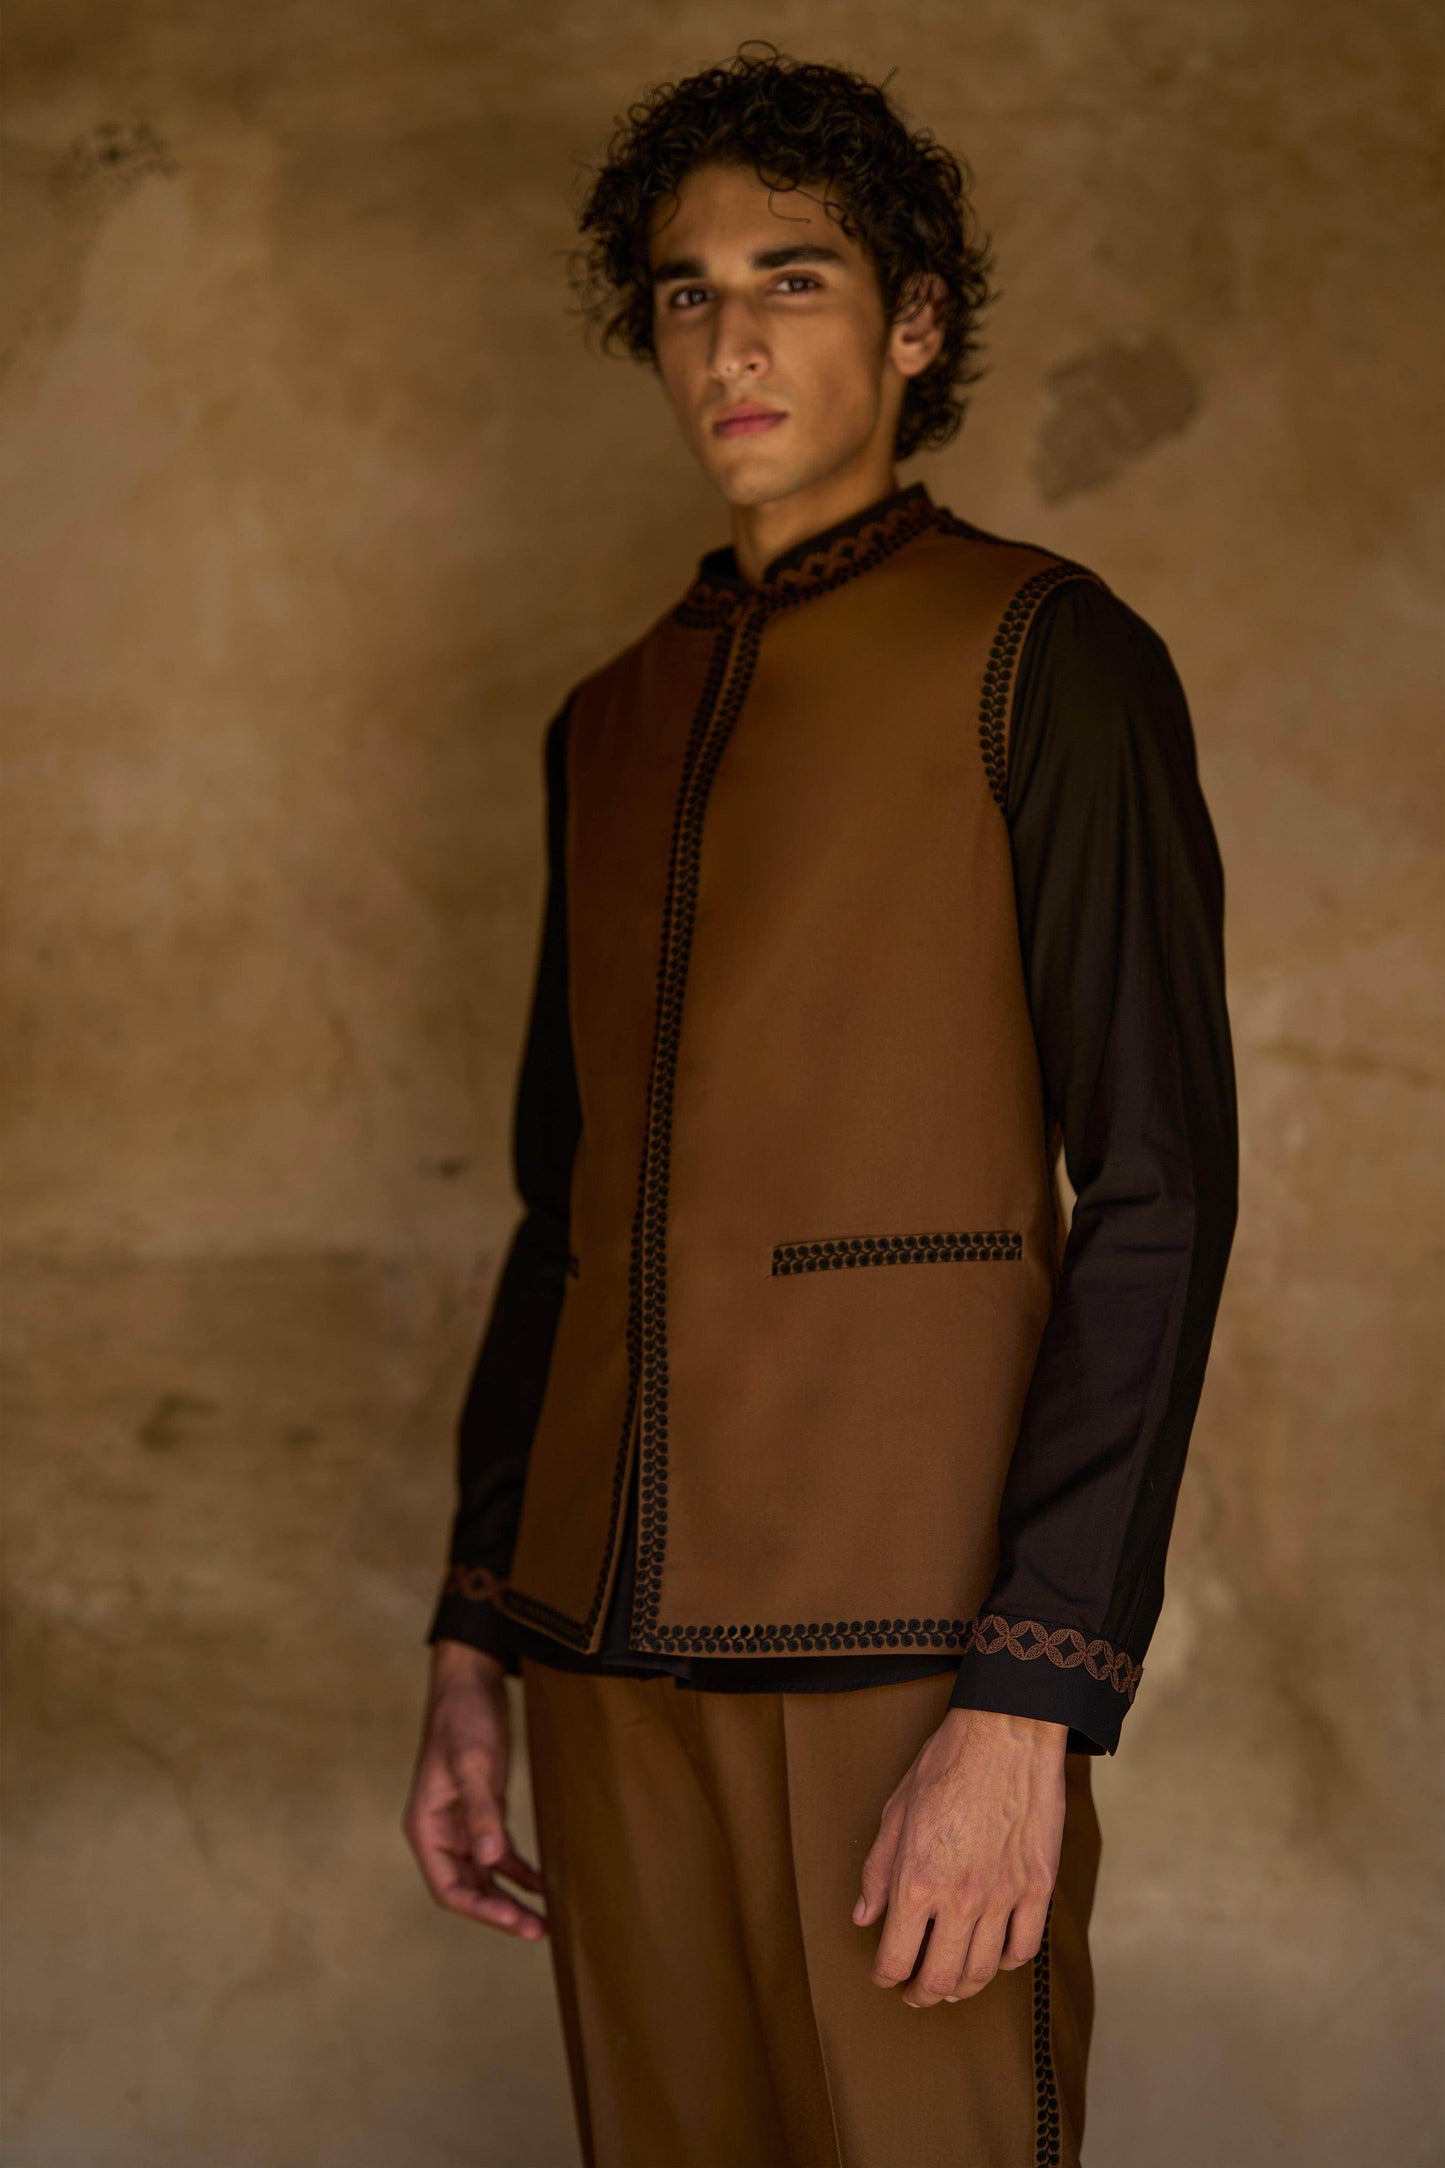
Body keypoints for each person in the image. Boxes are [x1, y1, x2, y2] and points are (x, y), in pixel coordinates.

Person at [403, 45, 1237, 2168]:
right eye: (685, 293)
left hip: (912, 1652)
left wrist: (1033, 1693)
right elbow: (559, 1214)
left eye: (794, 277)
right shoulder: (604, 723)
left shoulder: (1044, 651)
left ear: (915, 320)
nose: (734, 340)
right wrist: (473, 1636)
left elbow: (1157, 1189)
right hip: (595, 1656)